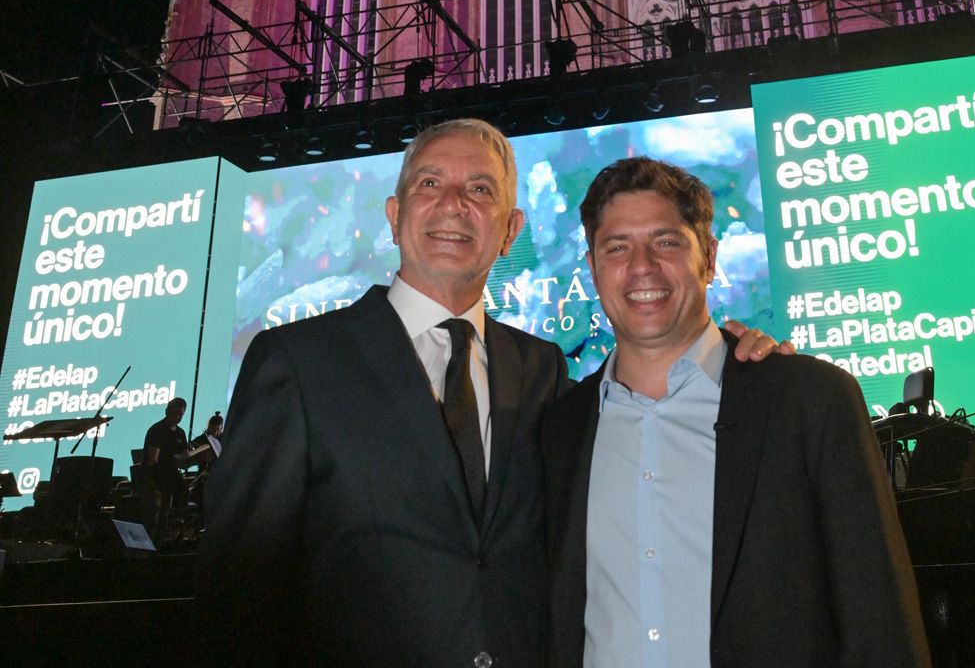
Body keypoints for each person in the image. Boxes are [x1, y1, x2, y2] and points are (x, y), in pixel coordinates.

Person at [196, 119, 780, 668]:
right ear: (395, 217)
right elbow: (241, 591)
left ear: (509, 230)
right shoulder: (297, 362)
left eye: (480, 188)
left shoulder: (542, 370)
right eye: (431, 184)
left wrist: (731, 355)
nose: (454, 204)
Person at [542, 157, 931, 668]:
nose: (641, 266)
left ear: (708, 257)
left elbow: (880, 620)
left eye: (666, 242)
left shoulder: (809, 399)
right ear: (593, 270)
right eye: (617, 247)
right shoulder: (559, 429)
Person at [142, 395, 188, 543]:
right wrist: (158, 483)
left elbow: (184, 456)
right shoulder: (157, 430)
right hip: (155, 478)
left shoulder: (180, 433)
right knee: (154, 518)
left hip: (171, 478)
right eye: (174, 413)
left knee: (167, 515)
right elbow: (152, 460)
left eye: (180, 414)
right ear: (167, 411)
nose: (177, 417)